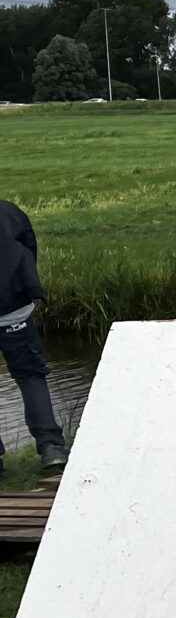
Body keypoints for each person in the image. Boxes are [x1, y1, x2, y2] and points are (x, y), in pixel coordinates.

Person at [0, 199, 67, 471]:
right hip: (15, 307)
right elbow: (29, 248)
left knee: (30, 377)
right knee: (30, 377)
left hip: (15, 306)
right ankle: (52, 448)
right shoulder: (8, 211)